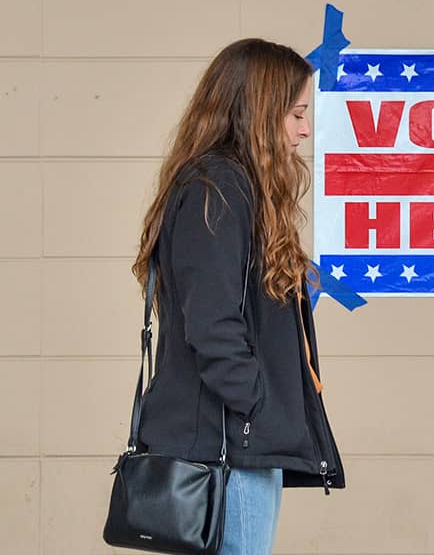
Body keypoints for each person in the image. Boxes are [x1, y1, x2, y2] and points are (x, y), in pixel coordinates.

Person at [131, 38, 344, 555]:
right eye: (295, 113)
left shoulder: (229, 186)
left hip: (235, 445)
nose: (305, 129)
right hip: (227, 454)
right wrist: (259, 407)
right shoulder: (217, 189)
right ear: (258, 111)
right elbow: (212, 326)